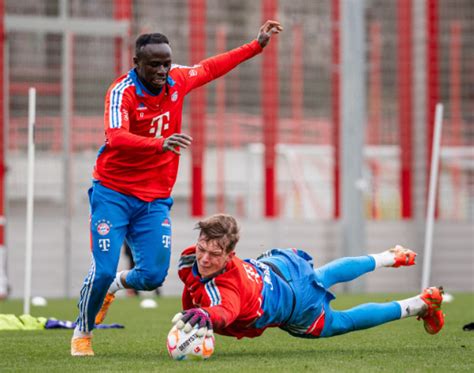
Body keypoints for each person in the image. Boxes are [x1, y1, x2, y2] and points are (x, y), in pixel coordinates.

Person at [71, 21, 284, 356]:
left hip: (154, 198)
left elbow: (213, 67)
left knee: (153, 276)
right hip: (112, 193)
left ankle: (116, 285)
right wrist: (159, 143)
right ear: (136, 63)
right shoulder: (121, 92)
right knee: (103, 268)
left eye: (166, 63)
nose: (162, 70)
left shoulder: (178, 79)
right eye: (154, 64)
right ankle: (82, 332)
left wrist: (255, 45)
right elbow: (115, 137)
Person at [172, 214, 445, 343]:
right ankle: (389, 257)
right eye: (201, 249)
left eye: (215, 254)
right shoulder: (189, 259)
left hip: (296, 306)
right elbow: (191, 284)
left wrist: (206, 317)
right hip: (282, 267)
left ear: (231, 254)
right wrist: (190, 311)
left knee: (342, 322)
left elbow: (225, 311)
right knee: (322, 274)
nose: (205, 259)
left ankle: (421, 304)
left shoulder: (228, 288)